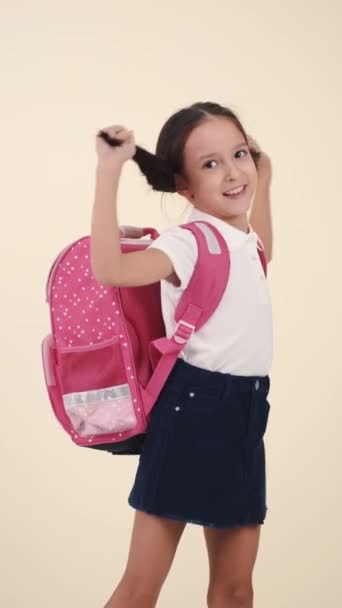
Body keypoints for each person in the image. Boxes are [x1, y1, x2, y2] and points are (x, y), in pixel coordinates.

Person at [91, 101, 273, 608]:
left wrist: (268, 185)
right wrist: (109, 173)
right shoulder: (188, 242)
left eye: (240, 153)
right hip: (192, 409)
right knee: (141, 587)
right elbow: (110, 270)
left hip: (244, 411)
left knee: (236, 590)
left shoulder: (242, 237)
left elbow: (262, 259)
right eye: (211, 163)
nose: (235, 172)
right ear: (184, 186)